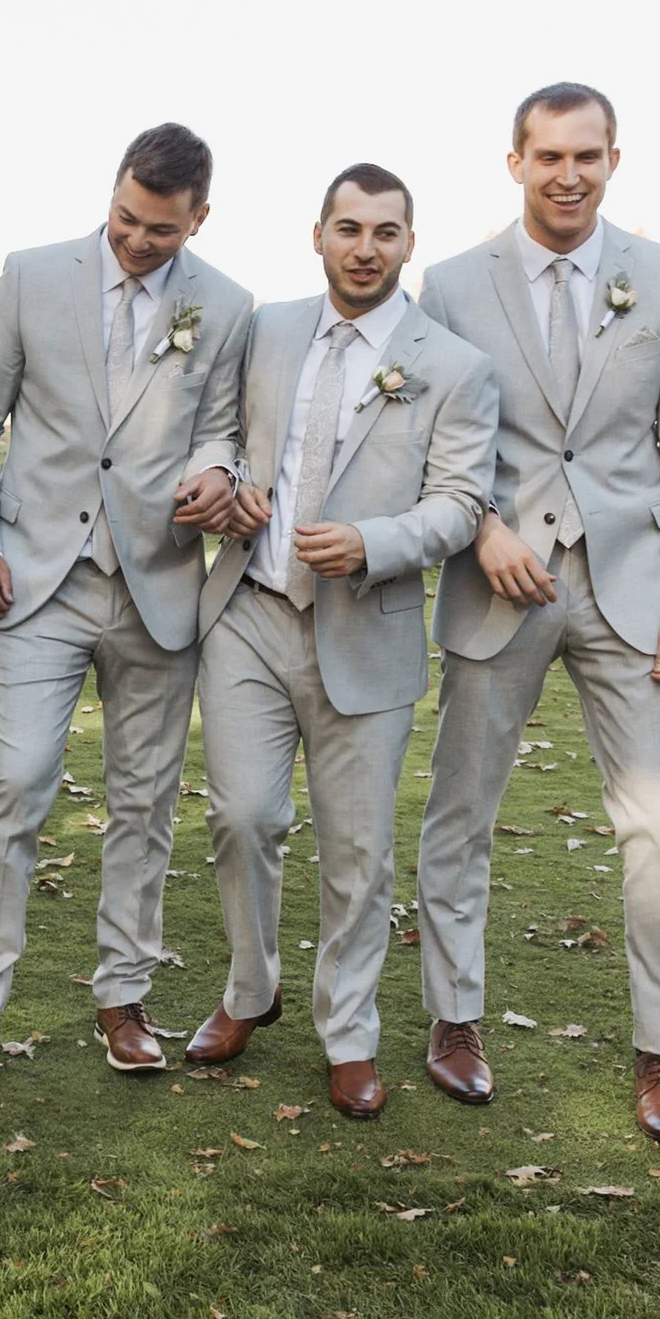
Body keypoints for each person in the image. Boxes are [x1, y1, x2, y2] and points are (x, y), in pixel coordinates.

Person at [412, 83, 660, 1144]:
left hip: (635, 585)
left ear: (613, 161)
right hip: (498, 581)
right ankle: (454, 1016)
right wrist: (480, 528)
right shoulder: (452, 285)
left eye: (587, 155)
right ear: (516, 162)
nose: (568, 174)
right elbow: (430, 440)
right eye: (548, 155)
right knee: (461, 807)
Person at [0, 123, 253, 1078]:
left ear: (199, 218)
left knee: (145, 800)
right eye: (124, 218)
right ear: (111, 193)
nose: (137, 240)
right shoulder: (31, 276)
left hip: (159, 583)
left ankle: (124, 996)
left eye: (161, 228)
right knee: (17, 778)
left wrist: (217, 471)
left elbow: (224, 428)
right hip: (38, 580)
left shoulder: (227, 306)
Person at [185, 164, 497, 1117]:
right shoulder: (268, 328)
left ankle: (349, 1033)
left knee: (358, 852)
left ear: (409, 244)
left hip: (368, 626)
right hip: (249, 611)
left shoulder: (454, 365)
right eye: (349, 228)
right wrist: (225, 478)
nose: (365, 249)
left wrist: (373, 542)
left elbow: (462, 501)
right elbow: (221, 429)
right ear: (317, 233)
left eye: (385, 232)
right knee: (242, 817)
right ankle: (251, 988)